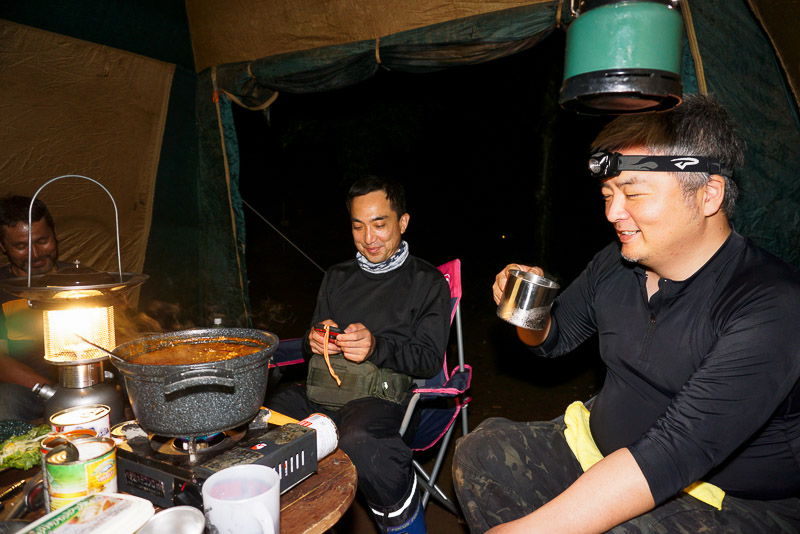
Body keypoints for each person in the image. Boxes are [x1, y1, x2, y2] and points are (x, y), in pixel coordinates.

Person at [452, 94, 800, 533]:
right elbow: (553, 340)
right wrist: (529, 309)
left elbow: (675, 452)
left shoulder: (771, 303)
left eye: (633, 193)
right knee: (481, 454)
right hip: (608, 454)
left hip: (729, 500)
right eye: (608, 194)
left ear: (708, 194)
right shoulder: (616, 264)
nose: (614, 213)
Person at [267, 176, 451, 534]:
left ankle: (404, 520)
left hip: (386, 399)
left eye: (379, 224)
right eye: (358, 226)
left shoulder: (427, 282)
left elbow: (429, 359)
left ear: (403, 222)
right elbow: (309, 346)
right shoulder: (337, 277)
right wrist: (313, 341)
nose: (369, 238)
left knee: (360, 439)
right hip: (324, 393)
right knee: (268, 421)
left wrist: (376, 347)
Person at [0, 195, 69, 421]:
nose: (35, 254)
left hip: (87, 381)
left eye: (42, 241)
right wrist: (55, 393)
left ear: (55, 235)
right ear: (3, 246)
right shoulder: (2, 289)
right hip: (30, 388)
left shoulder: (83, 281)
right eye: (21, 246)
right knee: (6, 399)